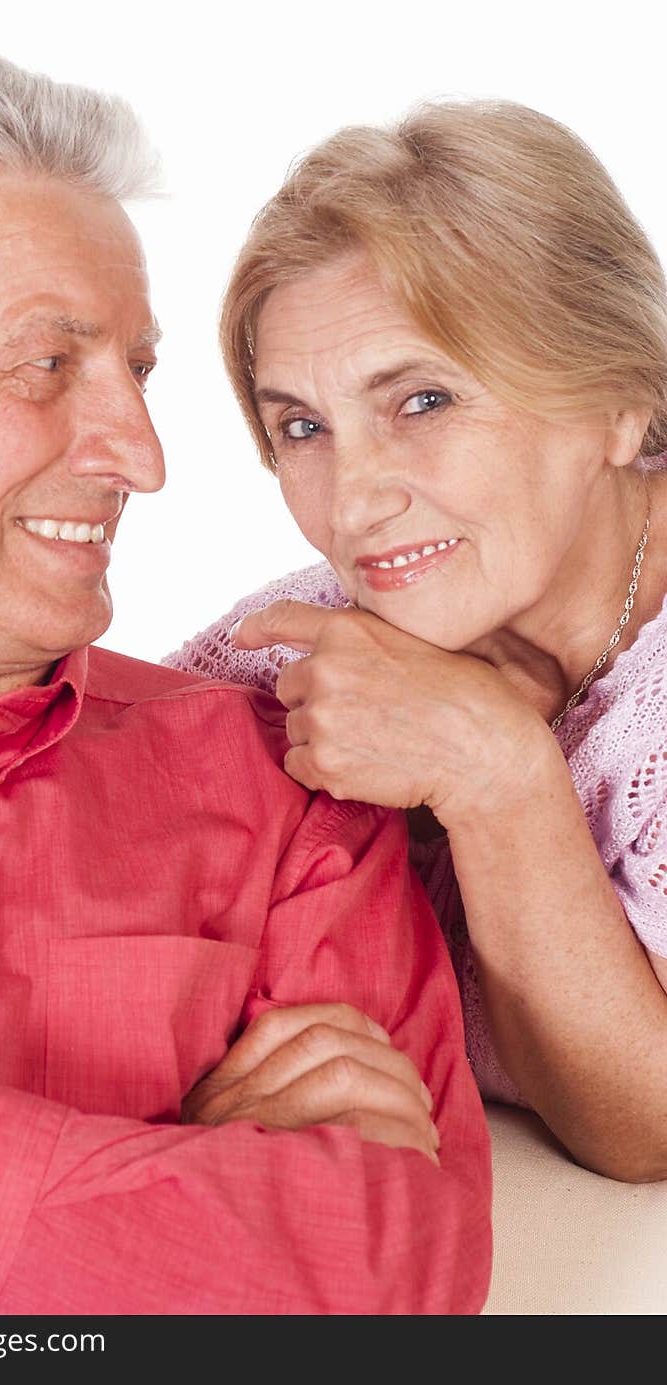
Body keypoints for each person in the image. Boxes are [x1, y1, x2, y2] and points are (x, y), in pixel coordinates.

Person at [0, 41, 490, 1316]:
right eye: (48, 364)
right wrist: (170, 1195)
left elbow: (393, 1274)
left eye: (139, 370)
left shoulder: (287, 787)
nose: (144, 456)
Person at [165, 102, 667, 1184]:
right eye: (301, 425)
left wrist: (495, 773)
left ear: (621, 401)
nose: (353, 499)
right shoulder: (314, 638)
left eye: (423, 399)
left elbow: (649, 1125)